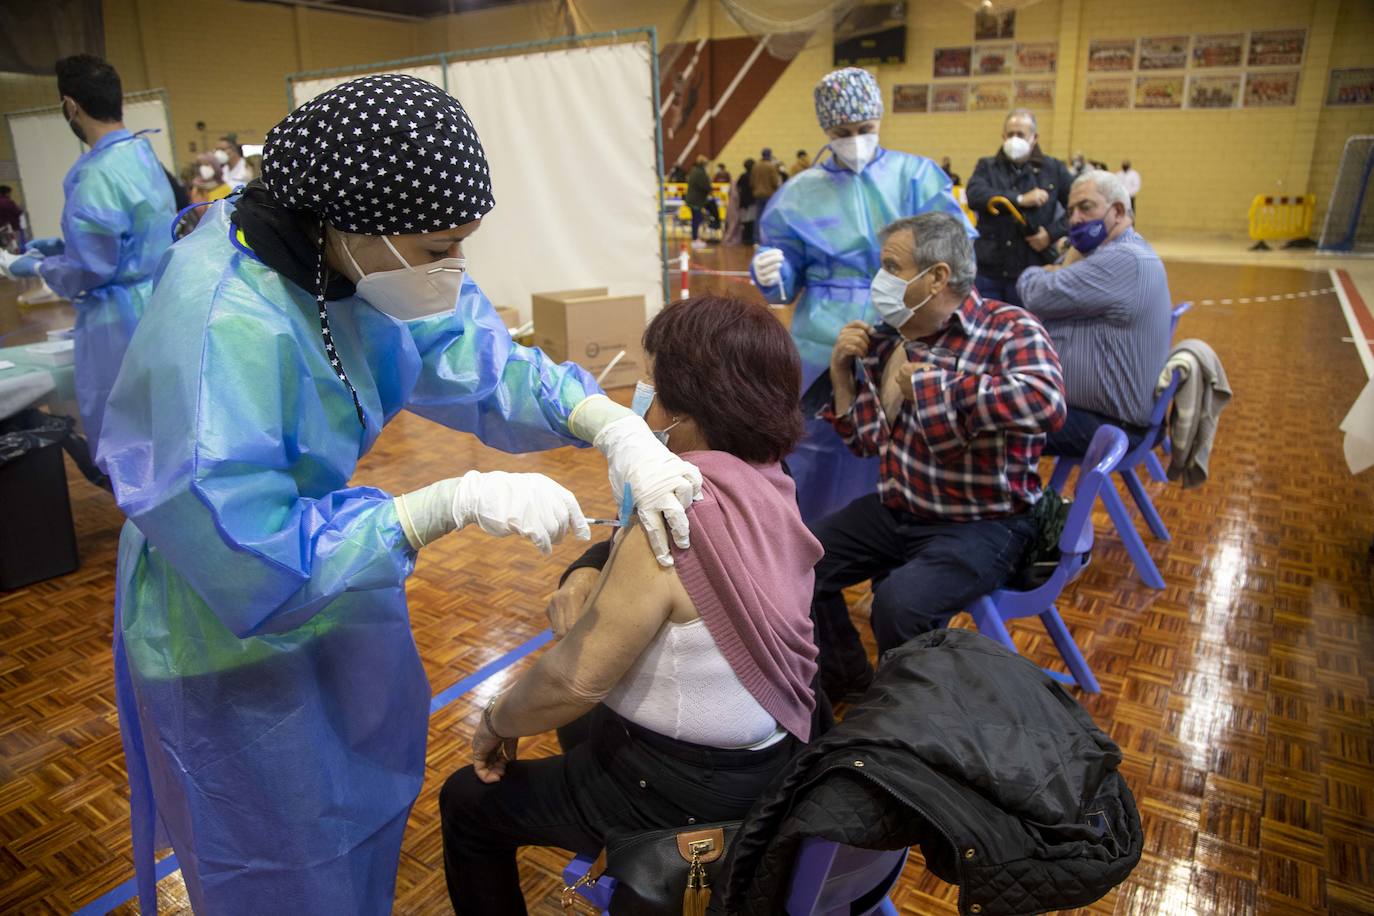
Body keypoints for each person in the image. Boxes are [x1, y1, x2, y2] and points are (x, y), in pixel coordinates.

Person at [95, 74, 703, 916]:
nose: (451, 268)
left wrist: (603, 419)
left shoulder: (353, 257)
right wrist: (435, 505)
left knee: (357, 807)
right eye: (437, 247)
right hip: (222, 604)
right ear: (348, 226)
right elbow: (243, 546)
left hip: (332, 572)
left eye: (462, 241)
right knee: (275, 852)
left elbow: (470, 348)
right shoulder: (219, 327)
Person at [439, 295, 823, 914]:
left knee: (467, 802)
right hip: (768, 754)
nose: (641, 394)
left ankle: (628, 838)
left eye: (652, 380)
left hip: (684, 787)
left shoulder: (672, 513)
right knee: (575, 724)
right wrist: (589, 571)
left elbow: (573, 678)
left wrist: (494, 721)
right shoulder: (768, 477)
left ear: (690, 402)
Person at [810, 212, 1065, 702]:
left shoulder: (1007, 328)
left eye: (892, 267)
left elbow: (1046, 403)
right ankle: (849, 679)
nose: (879, 281)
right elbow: (865, 441)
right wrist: (843, 376)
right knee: (800, 561)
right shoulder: (892, 339)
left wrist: (936, 386)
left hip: (985, 521)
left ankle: (915, 724)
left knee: (900, 605)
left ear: (938, 277)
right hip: (900, 508)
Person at [750, 68, 973, 522]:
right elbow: (786, 275)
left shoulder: (917, 177)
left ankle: (891, 539)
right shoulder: (799, 195)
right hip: (820, 339)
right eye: (842, 132)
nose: (855, 140)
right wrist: (773, 272)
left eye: (865, 130)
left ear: (880, 120)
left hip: (910, 326)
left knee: (900, 435)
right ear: (825, 130)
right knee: (817, 440)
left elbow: (957, 250)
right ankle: (810, 541)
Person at [0, 55, 175, 452]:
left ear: (70, 106)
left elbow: (91, 269)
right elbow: (133, 235)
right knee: (164, 420)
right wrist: (64, 246)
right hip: (160, 302)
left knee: (128, 431)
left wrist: (36, 265)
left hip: (118, 321)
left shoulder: (96, 174)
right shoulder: (141, 154)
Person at [1016, 170, 1170, 457]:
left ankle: (1017, 500)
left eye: (1086, 207)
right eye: (1071, 210)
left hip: (1111, 424)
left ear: (1118, 211)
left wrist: (1057, 271)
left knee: (991, 425)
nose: (1075, 219)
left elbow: (1035, 294)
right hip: (1100, 413)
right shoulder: (1113, 252)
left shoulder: (1123, 259)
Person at [965, 108, 1073, 307]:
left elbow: (1077, 209)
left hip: (1032, 268)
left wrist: (1050, 234)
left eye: (1020, 134)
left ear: (1034, 137)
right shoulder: (987, 167)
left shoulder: (1053, 169)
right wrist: (1020, 199)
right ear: (1003, 136)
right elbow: (974, 195)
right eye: (1010, 134)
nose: (1014, 139)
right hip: (990, 268)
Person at [684, 153, 713, 249]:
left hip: (692, 199)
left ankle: (695, 238)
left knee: (696, 219)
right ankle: (695, 239)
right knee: (697, 219)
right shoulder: (700, 172)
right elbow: (706, 186)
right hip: (696, 200)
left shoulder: (694, 170)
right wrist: (710, 189)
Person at [736, 157, 757, 244]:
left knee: (745, 222)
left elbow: (738, 186)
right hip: (752, 201)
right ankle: (750, 238)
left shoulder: (742, 176)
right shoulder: (754, 176)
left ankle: (745, 238)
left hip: (744, 201)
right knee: (752, 221)